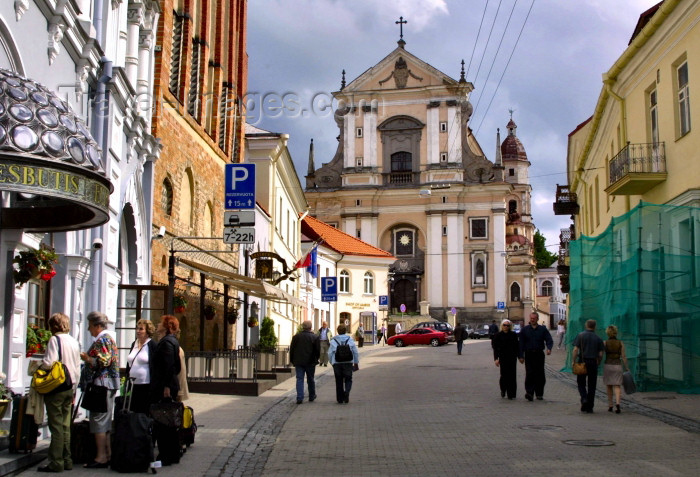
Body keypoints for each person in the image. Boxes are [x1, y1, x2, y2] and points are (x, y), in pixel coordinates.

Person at [37, 313, 81, 473]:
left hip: (57, 387)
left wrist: (38, 368)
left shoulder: (55, 340)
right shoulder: (73, 341)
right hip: (70, 386)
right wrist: (75, 388)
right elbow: (77, 366)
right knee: (65, 426)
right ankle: (67, 460)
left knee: (55, 426)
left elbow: (49, 362)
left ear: (53, 326)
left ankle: (56, 461)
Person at [80, 311, 119, 469]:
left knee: (98, 420)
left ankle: (101, 457)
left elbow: (105, 360)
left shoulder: (102, 339)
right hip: (108, 384)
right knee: (105, 420)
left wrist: (88, 359)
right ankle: (108, 454)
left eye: (90, 326)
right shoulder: (107, 338)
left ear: (97, 326)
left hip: (102, 384)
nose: (89, 330)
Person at [151, 315, 182, 466]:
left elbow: (170, 366)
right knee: (168, 422)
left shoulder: (167, 343)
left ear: (166, 326)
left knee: (164, 422)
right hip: (167, 384)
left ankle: (167, 455)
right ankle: (172, 454)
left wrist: (166, 386)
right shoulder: (170, 341)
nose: (157, 325)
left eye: (160, 323)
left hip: (166, 387)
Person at [518, 312, 553, 401]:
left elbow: (549, 339)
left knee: (540, 374)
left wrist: (549, 348)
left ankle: (539, 393)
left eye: (534, 318)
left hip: (539, 354)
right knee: (529, 373)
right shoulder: (525, 330)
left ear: (537, 319)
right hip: (529, 354)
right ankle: (529, 392)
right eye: (531, 318)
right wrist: (521, 356)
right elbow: (521, 343)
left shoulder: (542, 329)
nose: (532, 320)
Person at [572, 319, 605, 413]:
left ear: (586, 325)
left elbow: (575, 350)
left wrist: (573, 361)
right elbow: (601, 353)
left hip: (582, 361)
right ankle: (590, 406)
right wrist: (599, 361)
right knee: (592, 384)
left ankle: (584, 398)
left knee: (581, 382)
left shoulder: (581, 335)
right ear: (595, 326)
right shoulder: (598, 338)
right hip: (593, 362)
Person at [125, 319, 156, 414]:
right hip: (133, 384)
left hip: (146, 384)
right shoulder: (133, 344)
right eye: (137, 328)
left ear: (148, 331)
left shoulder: (152, 345)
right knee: (133, 410)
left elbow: (155, 365)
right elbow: (129, 364)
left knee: (144, 411)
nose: (138, 331)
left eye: (141, 329)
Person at [290, 320, 320, 404]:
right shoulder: (314, 337)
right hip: (310, 362)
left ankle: (299, 397)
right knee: (310, 379)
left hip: (298, 361)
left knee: (299, 379)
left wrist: (292, 360)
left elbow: (292, 349)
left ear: (303, 327)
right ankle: (311, 395)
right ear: (311, 327)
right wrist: (316, 359)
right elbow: (318, 351)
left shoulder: (296, 337)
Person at [329, 324, 360, 404]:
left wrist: (331, 362)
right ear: (345, 331)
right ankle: (347, 392)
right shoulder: (350, 339)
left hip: (337, 363)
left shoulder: (333, 340)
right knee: (348, 379)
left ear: (337, 331)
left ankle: (340, 398)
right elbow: (355, 352)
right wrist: (356, 362)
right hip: (348, 362)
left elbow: (329, 353)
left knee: (338, 380)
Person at [603, 324, 628, 414]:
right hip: (618, 365)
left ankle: (610, 405)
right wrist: (627, 367)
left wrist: (598, 361)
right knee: (617, 386)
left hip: (608, 365)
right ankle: (618, 404)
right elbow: (624, 356)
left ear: (608, 333)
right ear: (616, 332)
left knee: (609, 385)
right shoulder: (620, 343)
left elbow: (601, 354)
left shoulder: (605, 342)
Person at [492, 319, 519, 400]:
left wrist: (520, 356)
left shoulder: (513, 335)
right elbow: (495, 348)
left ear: (510, 326)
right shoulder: (497, 335)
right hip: (503, 357)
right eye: (504, 325)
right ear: (501, 326)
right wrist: (496, 359)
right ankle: (503, 390)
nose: (506, 327)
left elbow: (517, 346)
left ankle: (511, 394)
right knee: (504, 375)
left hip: (512, 357)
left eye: (507, 325)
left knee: (512, 376)